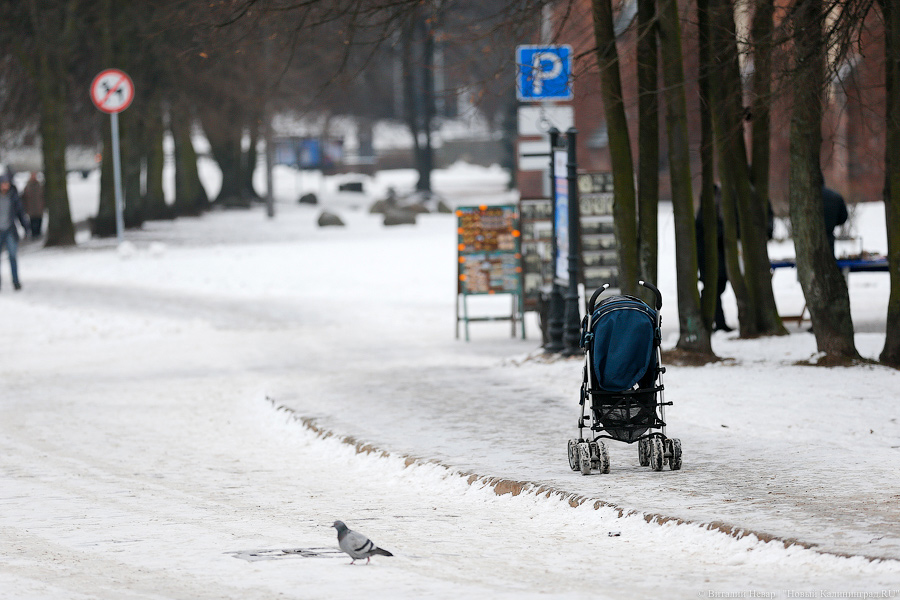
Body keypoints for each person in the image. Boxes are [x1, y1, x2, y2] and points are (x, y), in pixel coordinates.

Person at [695, 185, 733, 332]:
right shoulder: (704, 217)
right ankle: (716, 321)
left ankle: (711, 319)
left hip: (717, 260)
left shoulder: (714, 215)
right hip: (709, 261)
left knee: (716, 290)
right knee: (713, 291)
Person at [0, 174, 29, 291]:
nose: (5, 186)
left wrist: (26, 227)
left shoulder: (13, 197)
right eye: (3, 183)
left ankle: (16, 281)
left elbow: (20, 213)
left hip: (9, 230)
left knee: (12, 257)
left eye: (7, 184)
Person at [822, 186, 848, 257]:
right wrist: (831, 223)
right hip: (829, 237)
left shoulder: (805, 196)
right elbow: (843, 217)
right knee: (828, 260)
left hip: (808, 240)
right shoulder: (835, 196)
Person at [21, 171, 44, 238]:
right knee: (32, 222)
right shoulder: (27, 186)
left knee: (39, 221)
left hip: (39, 207)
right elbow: (24, 198)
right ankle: (34, 234)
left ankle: (38, 234)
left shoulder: (39, 185)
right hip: (31, 208)